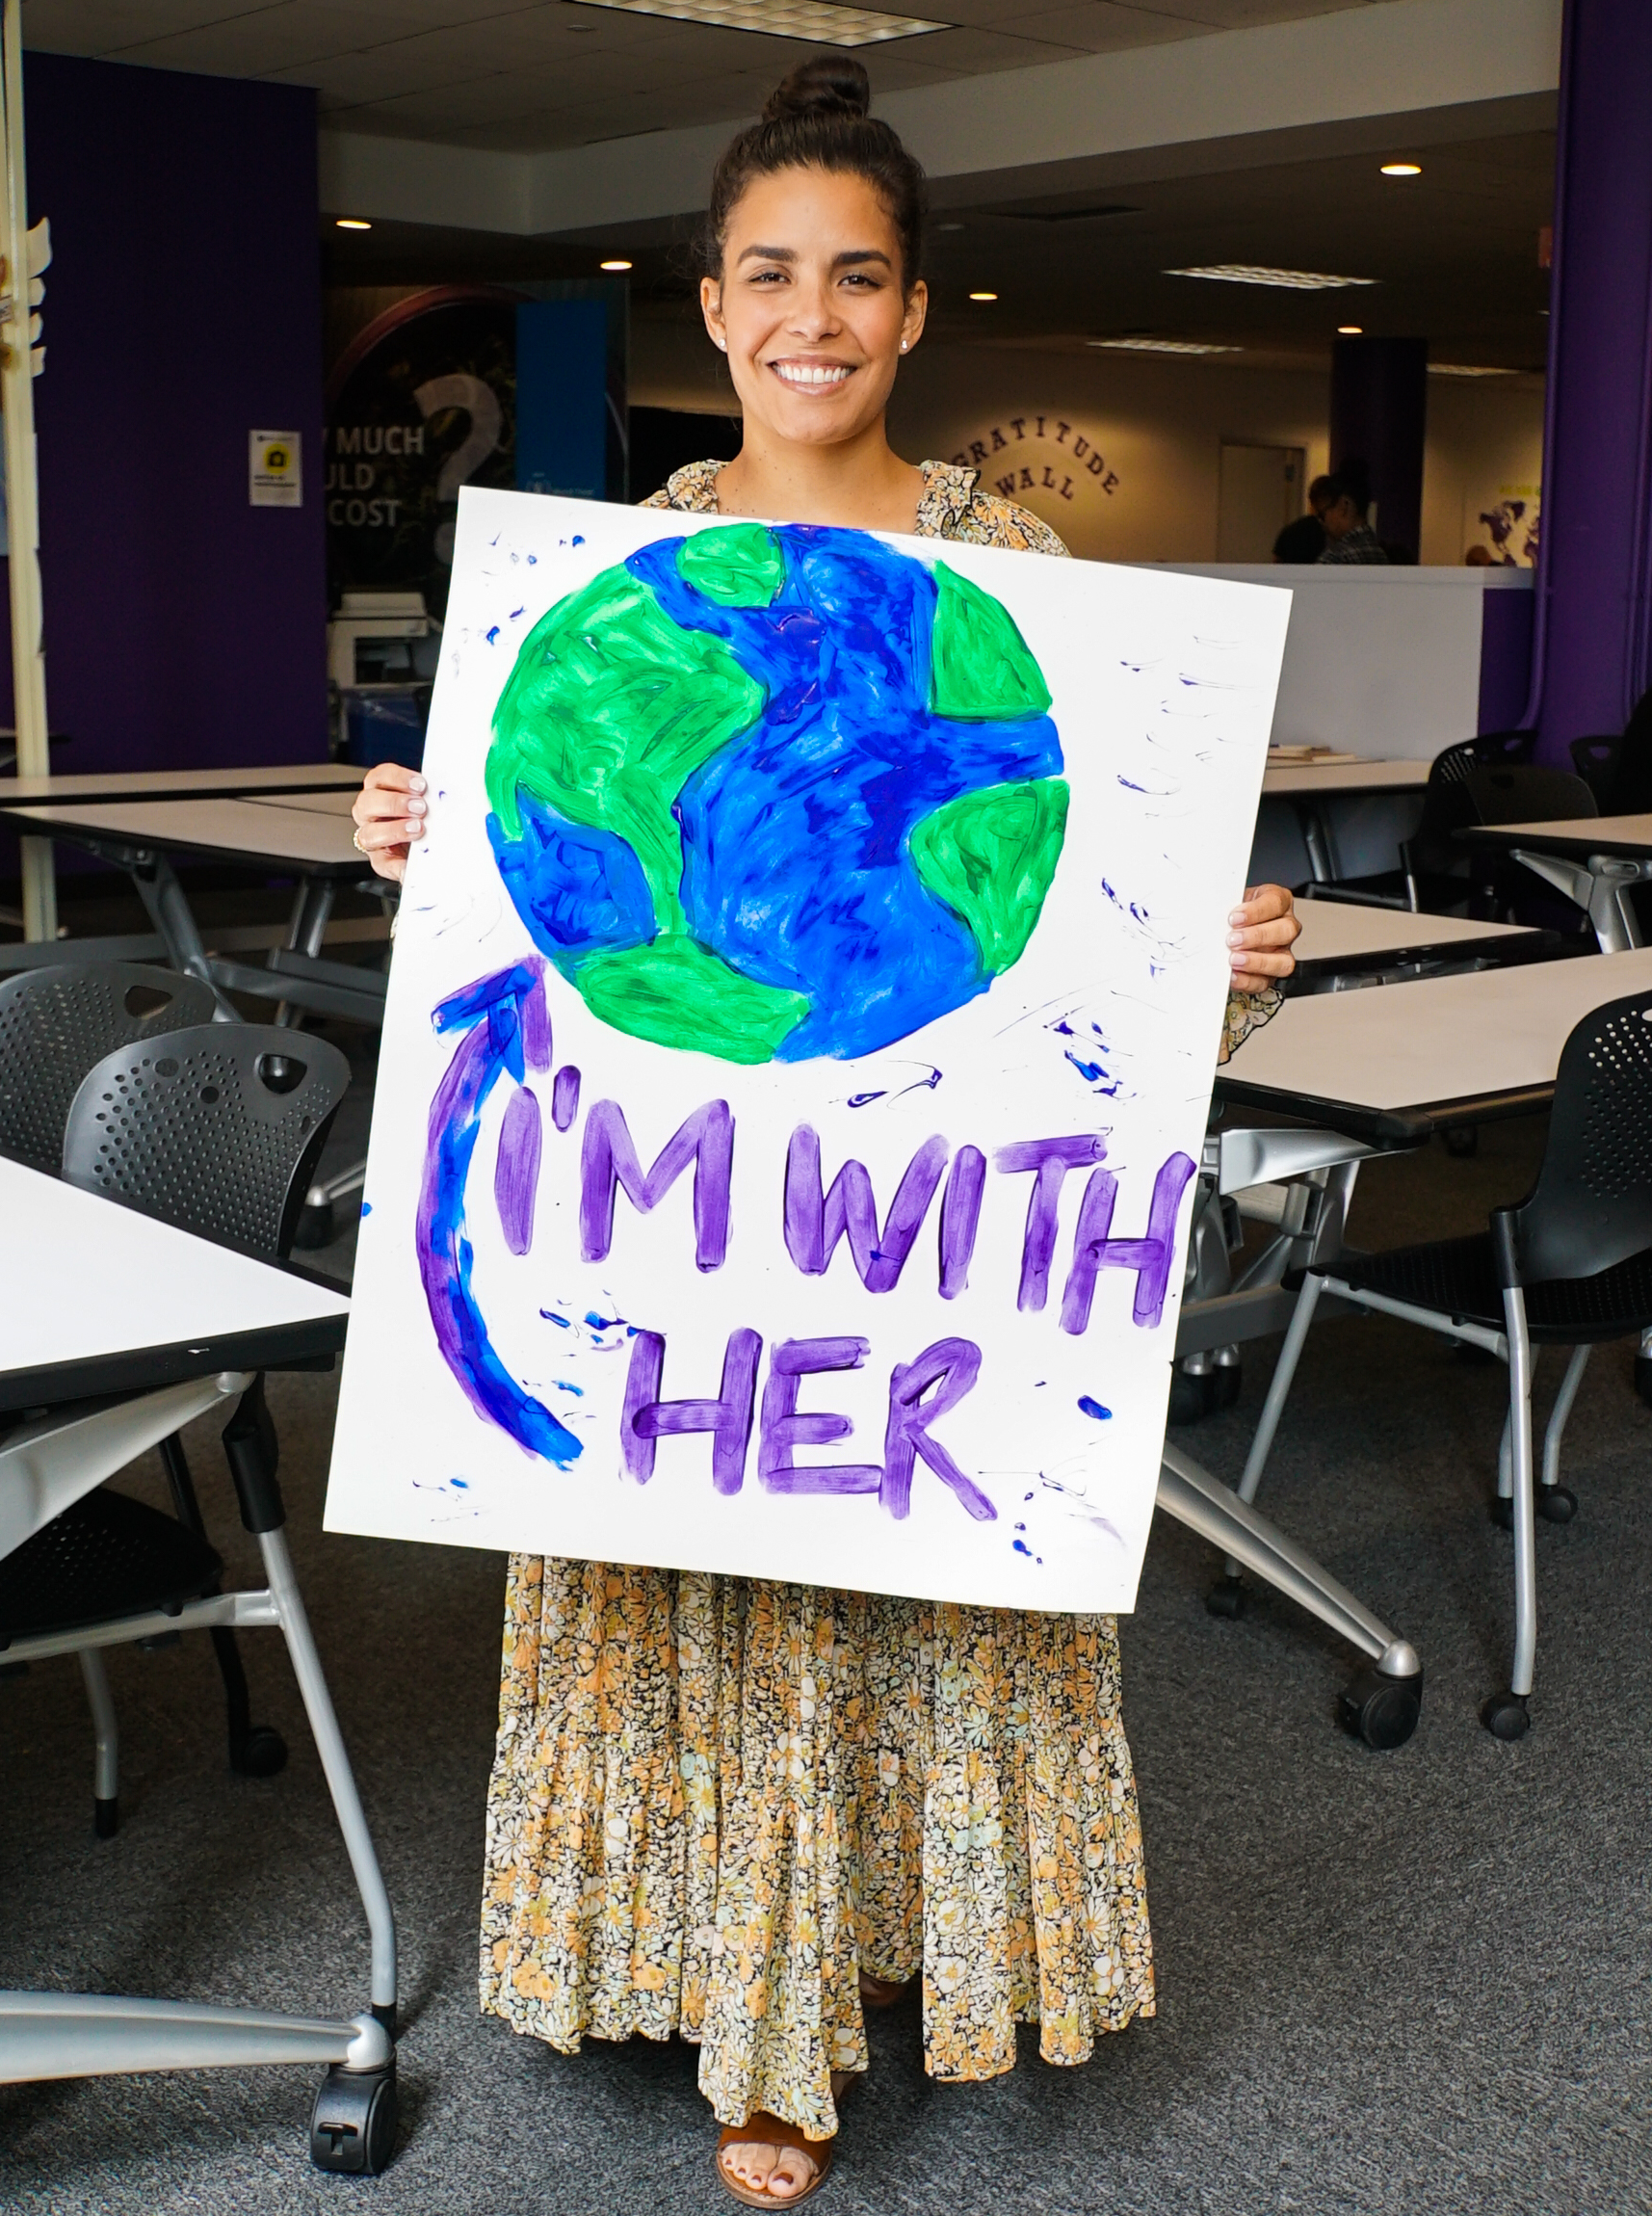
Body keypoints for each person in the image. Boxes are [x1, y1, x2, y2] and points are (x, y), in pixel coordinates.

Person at [353, 56, 1301, 2209]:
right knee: (692, 1568)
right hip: (678, 1215)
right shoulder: (606, 585)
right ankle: (731, 2017)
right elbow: (547, 913)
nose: (812, 317)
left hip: (909, 1226)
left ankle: (852, 1992)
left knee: (901, 1582)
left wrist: (1215, 949)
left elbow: (1088, 947)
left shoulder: (1027, 575)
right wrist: (431, 849)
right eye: (768, 274)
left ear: (912, 309)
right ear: (708, 306)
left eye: (854, 279)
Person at [1316, 466, 1388, 565]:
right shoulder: (1381, 554)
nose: (1323, 523)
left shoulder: (1334, 558)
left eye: (1323, 514)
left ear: (1343, 507)